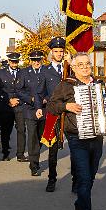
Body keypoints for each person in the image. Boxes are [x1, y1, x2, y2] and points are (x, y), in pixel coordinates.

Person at [47, 52, 102, 210]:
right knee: (84, 178)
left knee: (91, 176)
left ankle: (79, 206)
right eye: (81, 65)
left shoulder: (99, 84)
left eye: (88, 64)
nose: (86, 67)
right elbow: (52, 106)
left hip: (97, 135)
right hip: (77, 137)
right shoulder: (66, 85)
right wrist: (66, 107)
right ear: (74, 67)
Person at [37, 37, 77, 193]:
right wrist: (40, 105)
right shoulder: (45, 71)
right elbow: (40, 91)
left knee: (74, 147)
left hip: (69, 113)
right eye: (56, 51)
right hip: (54, 112)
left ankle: (75, 180)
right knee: (52, 148)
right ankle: (52, 178)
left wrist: (71, 62)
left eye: (61, 51)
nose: (59, 54)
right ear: (51, 52)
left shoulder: (70, 68)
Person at [20, 50, 47, 176]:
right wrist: (30, 99)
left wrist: (46, 98)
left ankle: (35, 153)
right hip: (30, 110)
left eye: (38, 60)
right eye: (34, 60)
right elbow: (19, 90)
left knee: (41, 136)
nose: (36, 62)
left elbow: (51, 87)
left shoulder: (46, 71)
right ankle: (34, 164)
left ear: (42, 59)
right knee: (32, 137)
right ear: (30, 60)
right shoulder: (24, 72)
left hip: (44, 107)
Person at [0, 52, 28, 162]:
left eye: (16, 62)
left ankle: (20, 154)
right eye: (12, 62)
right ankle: (5, 152)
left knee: (21, 129)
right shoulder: (1, 73)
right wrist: (8, 100)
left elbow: (26, 89)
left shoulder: (23, 73)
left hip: (19, 105)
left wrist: (18, 100)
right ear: (9, 61)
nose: (14, 64)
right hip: (7, 106)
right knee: (6, 130)